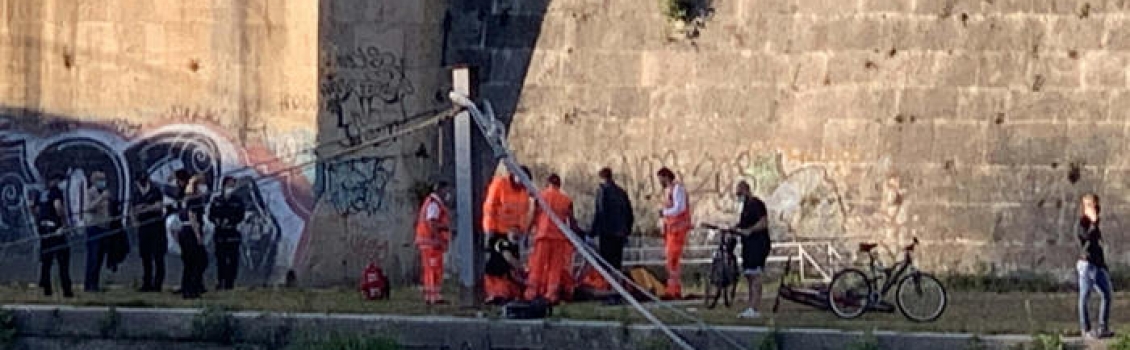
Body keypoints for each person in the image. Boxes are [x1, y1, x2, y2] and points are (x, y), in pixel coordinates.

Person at [523, 174, 581, 304]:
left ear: (547, 183)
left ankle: (531, 293)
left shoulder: (540, 196)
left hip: (542, 236)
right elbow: (571, 223)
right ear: (559, 185)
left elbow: (533, 216)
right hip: (559, 238)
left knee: (537, 266)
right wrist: (577, 237)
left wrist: (526, 234)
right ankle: (551, 295)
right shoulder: (566, 200)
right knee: (555, 268)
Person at [588, 167, 634, 304]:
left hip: (607, 233)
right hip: (620, 233)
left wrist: (592, 233)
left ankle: (610, 293)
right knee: (617, 264)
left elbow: (600, 212)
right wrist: (626, 231)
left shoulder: (603, 191)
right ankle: (618, 292)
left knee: (606, 265)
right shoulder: (621, 192)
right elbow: (630, 214)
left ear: (601, 178)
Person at [481, 166, 532, 287]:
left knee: (511, 264)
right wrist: (490, 231)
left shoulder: (524, 192)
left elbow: (523, 214)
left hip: (513, 234)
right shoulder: (500, 184)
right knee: (498, 262)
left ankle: (509, 289)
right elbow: (490, 209)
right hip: (498, 231)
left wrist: (522, 232)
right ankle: (495, 290)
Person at [729, 181, 771, 319]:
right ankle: (750, 306)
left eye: (740, 193)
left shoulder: (756, 204)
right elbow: (743, 223)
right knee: (749, 275)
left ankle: (754, 307)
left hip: (758, 244)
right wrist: (735, 228)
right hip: (748, 245)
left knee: (755, 275)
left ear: (747, 191)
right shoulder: (746, 207)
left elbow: (763, 222)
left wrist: (750, 231)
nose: (739, 197)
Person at [1077, 193, 1114, 339]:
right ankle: (1085, 329)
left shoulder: (1095, 223)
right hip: (1086, 265)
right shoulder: (1082, 224)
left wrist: (1104, 265)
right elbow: (1086, 242)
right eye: (1093, 205)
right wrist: (1093, 223)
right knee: (1084, 297)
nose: (1097, 209)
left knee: (1107, 294)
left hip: (1098, 265)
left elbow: (1098, 246)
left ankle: (1103, 327)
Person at [34, 172, 73, 297]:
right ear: (55, 180)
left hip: (44, 229)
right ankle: (67, 291)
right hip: (55, 230)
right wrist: (64, 223)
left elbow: (35, 209)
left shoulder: (41, 193)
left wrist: (39, 222)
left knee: (46, 261)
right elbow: (58, 207)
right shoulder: (56, 191)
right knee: (63, 260)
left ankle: (47, 289)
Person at [414, 181, 452, 304]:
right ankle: (434, 296)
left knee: (430, 269)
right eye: (446, 190)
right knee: (434, 269)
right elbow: (432, 223)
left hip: (428, 242)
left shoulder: (432, 202)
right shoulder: (434, 204)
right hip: (431, 243)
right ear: (440, 190)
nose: (447, 193)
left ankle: (431, 295)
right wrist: (439, 237)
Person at [656, 167, 691, 299]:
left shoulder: (677, 189)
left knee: (673, 260)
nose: (660, 181)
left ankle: (674, 290)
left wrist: (664, 213)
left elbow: (679, 208)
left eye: (660, 178)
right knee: (671, 261)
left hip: (678, 230)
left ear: (666, 177)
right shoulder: (669, 191)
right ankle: (672, 289)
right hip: (671, 229)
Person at [131, 172, 166, 292]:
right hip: (143, 227)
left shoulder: (156, 191)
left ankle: (157, 284)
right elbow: (134, 210)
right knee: (145, 257)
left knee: (158, 256)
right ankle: (147, 283)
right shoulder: (136, 193)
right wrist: (146, 208)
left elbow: (158, 206)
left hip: (156, 227)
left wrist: (144, 208)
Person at [209, 176, 246, 291]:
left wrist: (230, 221)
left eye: (233, 186)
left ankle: (230, 283)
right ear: (223, 186)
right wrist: (216, 220)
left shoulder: (238, 201)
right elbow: (211, 215)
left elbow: (241, 216)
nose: (231, 188)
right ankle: (221, 281)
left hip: (232, 232)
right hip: (220, 233)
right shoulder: (217, 200)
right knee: (221, 259)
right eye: (229, 185)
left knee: (233, 259)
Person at [178, 174, 210, 299]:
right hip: (191, 232)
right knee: (199, 261)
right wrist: (198, 235)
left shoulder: (185, 198)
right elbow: (192, 216)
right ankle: (192, 289)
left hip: (184, 231)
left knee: (189, 263)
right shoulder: (194, 199)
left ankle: (188, 288)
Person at [82, 171, 113, 292]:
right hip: (93, 227)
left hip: (104, 227)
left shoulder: (106, 193)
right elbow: (88, 207)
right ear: (93, 181)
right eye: (100, 179)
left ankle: (95, 283)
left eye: (104, 179)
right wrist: (101, 198)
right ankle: (88, 284)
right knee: (93, 257)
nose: (102, 181)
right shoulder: (90, 192)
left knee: (100, 257)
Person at [484, 230, 523, 305]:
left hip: (506, 277)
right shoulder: (502, 241)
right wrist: (521, 267)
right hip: (496, 277)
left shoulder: (513, 243)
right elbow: (508, 258)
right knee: (501, 296)